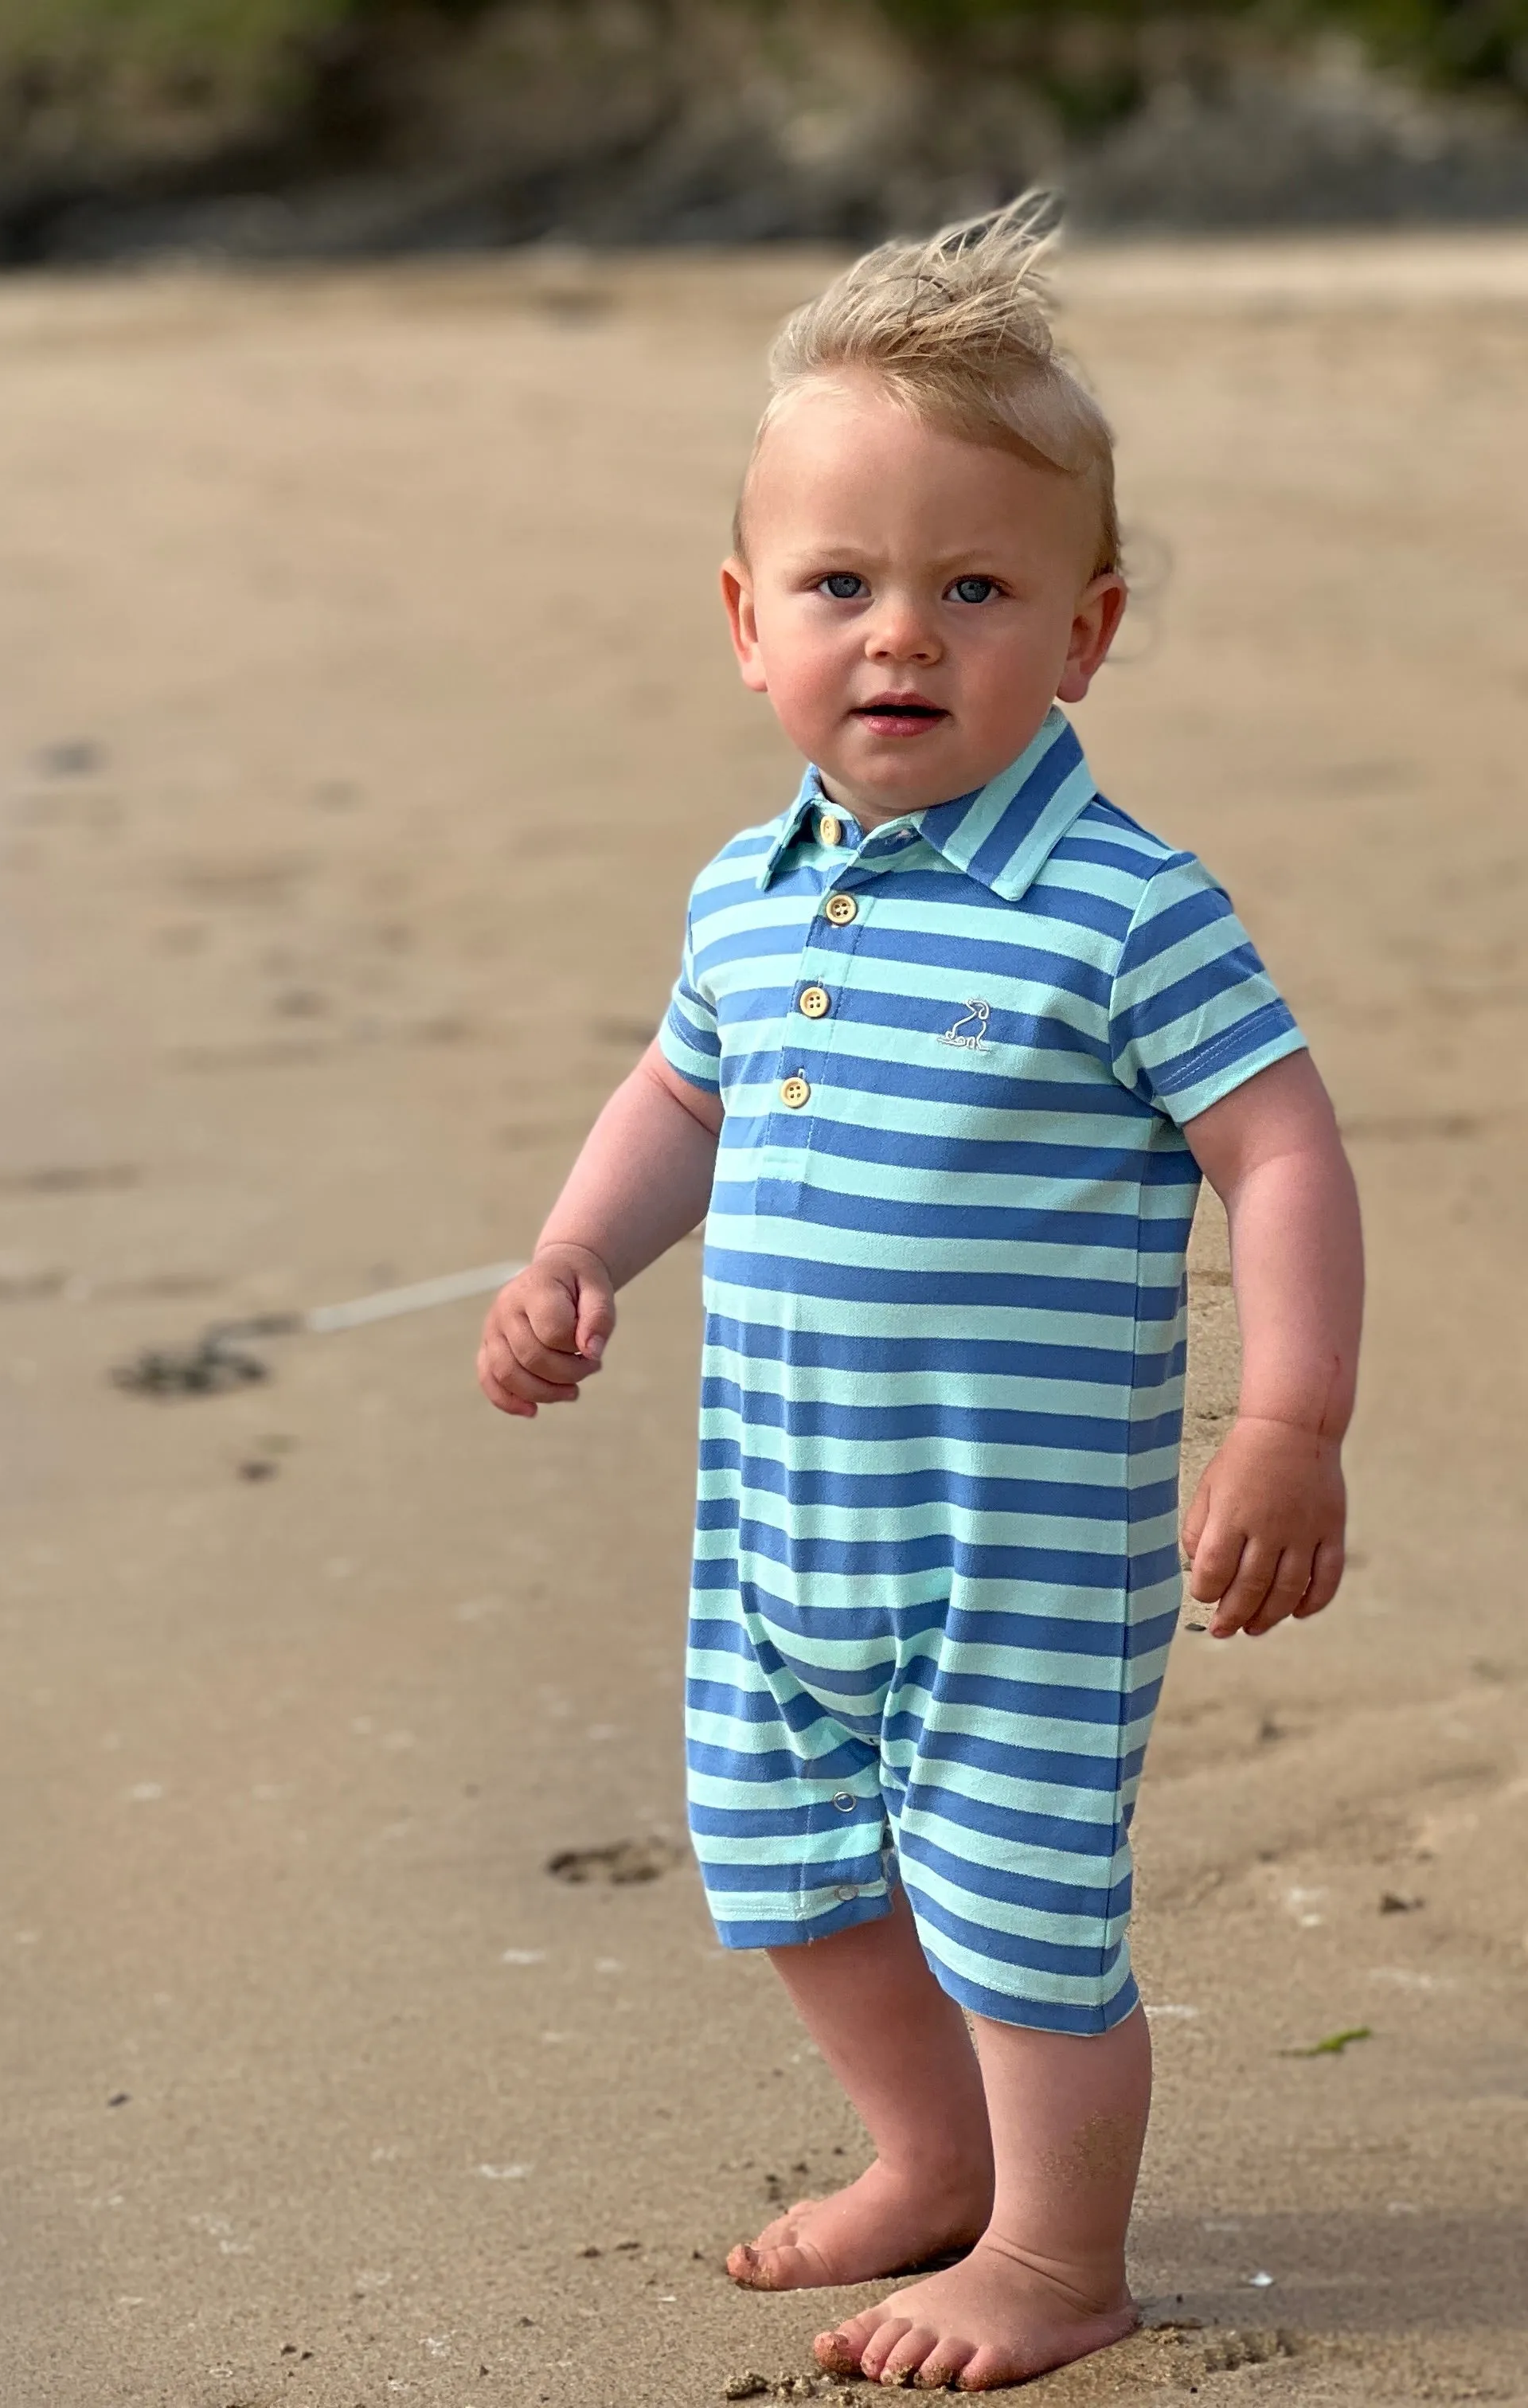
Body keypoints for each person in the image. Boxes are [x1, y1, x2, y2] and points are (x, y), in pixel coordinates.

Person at [473, 194, 1364, 2392]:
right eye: (843, 587)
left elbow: (1283, 1150)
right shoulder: (746, 894)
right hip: (781, 1505)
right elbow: (682, 1101)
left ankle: (1059, 2254)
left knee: (1015, 1901)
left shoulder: (1119, 908)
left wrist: (1291, 1422)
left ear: (1082, 632)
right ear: (745, 619)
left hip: (1016, 1542)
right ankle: (933, 2154)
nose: (902, 637)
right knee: (778, 1863)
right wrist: (578, 1251)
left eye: (974, 590)